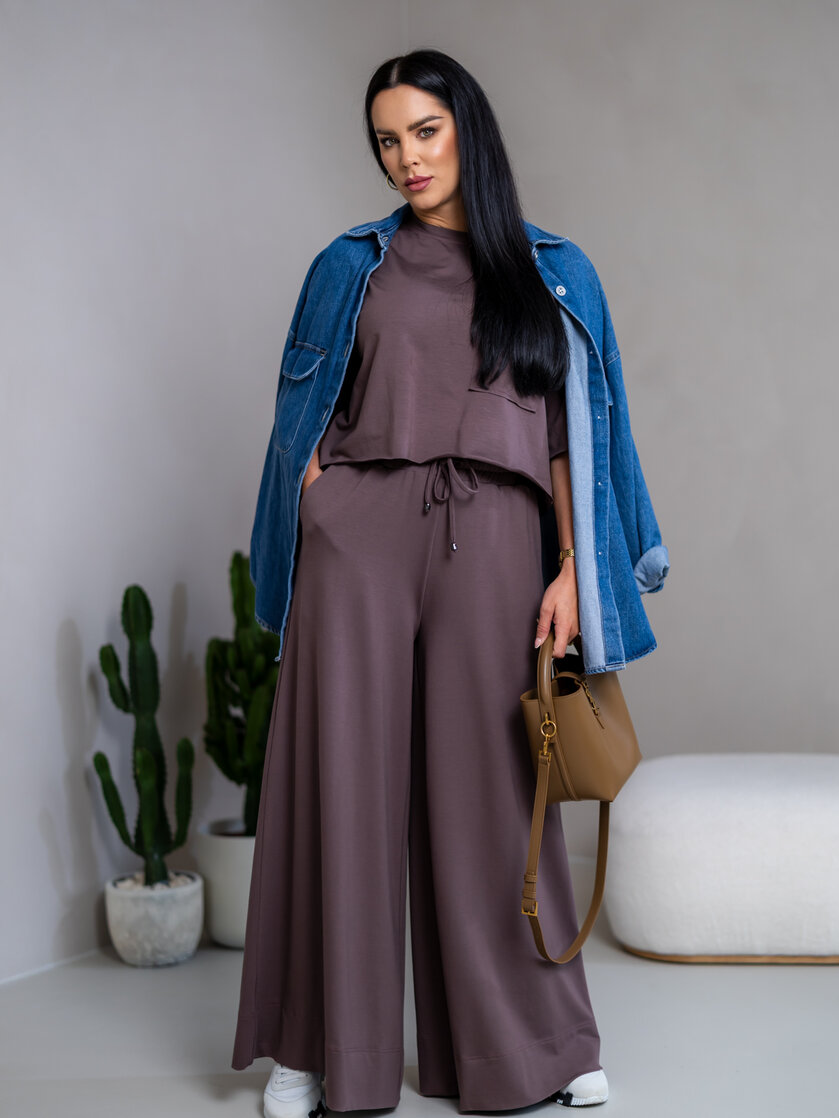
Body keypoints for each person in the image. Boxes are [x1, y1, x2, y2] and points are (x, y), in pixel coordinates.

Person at [231, 48, 669, 1118]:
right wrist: (320, 495)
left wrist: (571, 565)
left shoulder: (553, 269)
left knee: (496, 794)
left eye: (424, 131)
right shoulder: (349, 265)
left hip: (498, 534)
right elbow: (306, 410)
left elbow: (570, 434)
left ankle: (540, 1045)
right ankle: (318, 1050)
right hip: (361, 536)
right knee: (338, 787)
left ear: (466, 128)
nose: (407, 158)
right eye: (387, 140)